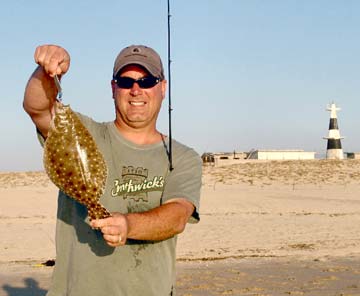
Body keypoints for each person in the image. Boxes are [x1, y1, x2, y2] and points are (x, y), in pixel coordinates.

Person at [23, 44, 202, 296]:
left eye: (147, 80)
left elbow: (178, 216)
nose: (136, 90)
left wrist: (128, 225)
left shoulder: (183, 157)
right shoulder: (82, 132)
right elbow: (38, 108)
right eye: (126, 81)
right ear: (113, 88)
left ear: (163, 88)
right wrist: (48, 72)